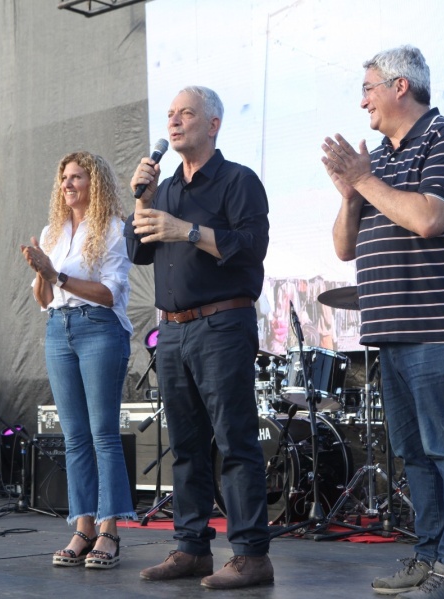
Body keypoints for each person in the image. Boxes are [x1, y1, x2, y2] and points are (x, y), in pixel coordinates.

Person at [322, 45, 444, 599]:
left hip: (442, 326)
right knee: (415, 454)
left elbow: (428, 218)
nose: (361, 98)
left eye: (368, 86)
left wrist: (364, 180)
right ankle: (430, 557)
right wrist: (350, 195)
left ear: (400, 86)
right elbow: (344, 248)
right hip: (390, 332)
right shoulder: (380, 162)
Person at [126, 85, 273, 590]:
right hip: (171, 332)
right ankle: (192, 549)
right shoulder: (164, 189)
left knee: (234, 442)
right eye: (169, 114)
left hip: (222, 325)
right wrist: (143, 195)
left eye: (186, 113)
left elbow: (251, 249)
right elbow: (137, 251)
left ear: (213, 124)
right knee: (185, 447)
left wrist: (186, 230)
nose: (174, 122)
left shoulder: (238, 181)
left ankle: (252, 555)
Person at [20, 151, 136, 570]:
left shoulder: (111, 228)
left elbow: (110, 293)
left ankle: (110, 531)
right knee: (74, 437)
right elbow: (44, 299)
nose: (67, 184)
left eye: (76, 177)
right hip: (58, 329)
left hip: (100, 328)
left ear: (95, 183)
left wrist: (57, 276)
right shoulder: (51, 231)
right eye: (63, 178)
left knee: (102, 432)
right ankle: (82, 526)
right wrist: (41, 272)